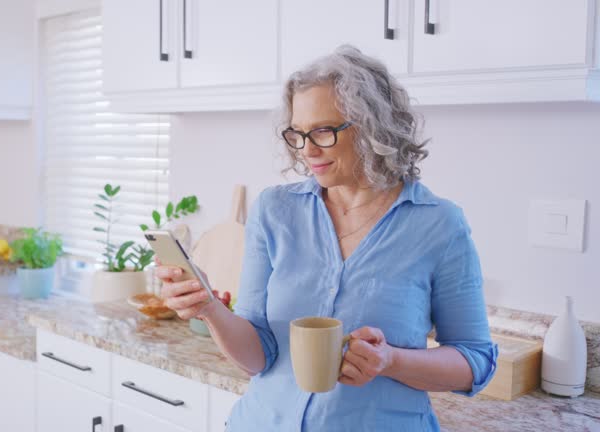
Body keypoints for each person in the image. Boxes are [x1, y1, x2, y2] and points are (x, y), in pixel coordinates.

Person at [155, 44, 498, 431]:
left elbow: (475, 362)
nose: (307, 150)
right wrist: (209, 309)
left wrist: (391, 361)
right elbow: (259, 357)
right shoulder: (275, 211)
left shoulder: (439, 224)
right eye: (298, 134)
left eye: (323, 131)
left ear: (373, 127)